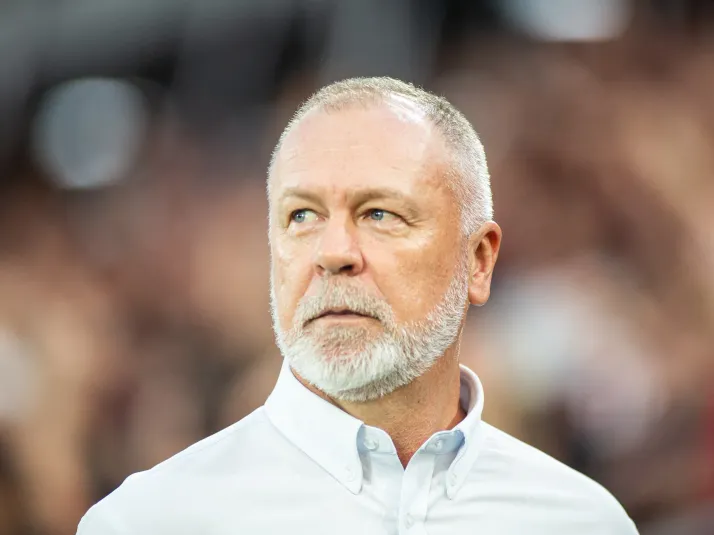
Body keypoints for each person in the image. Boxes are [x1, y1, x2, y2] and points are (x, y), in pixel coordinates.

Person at [76, 77, 639, 534]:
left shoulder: (584, 522)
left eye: (379, 214)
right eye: (301, 216)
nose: (334, 253)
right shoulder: (147, 522)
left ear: (478, 261)